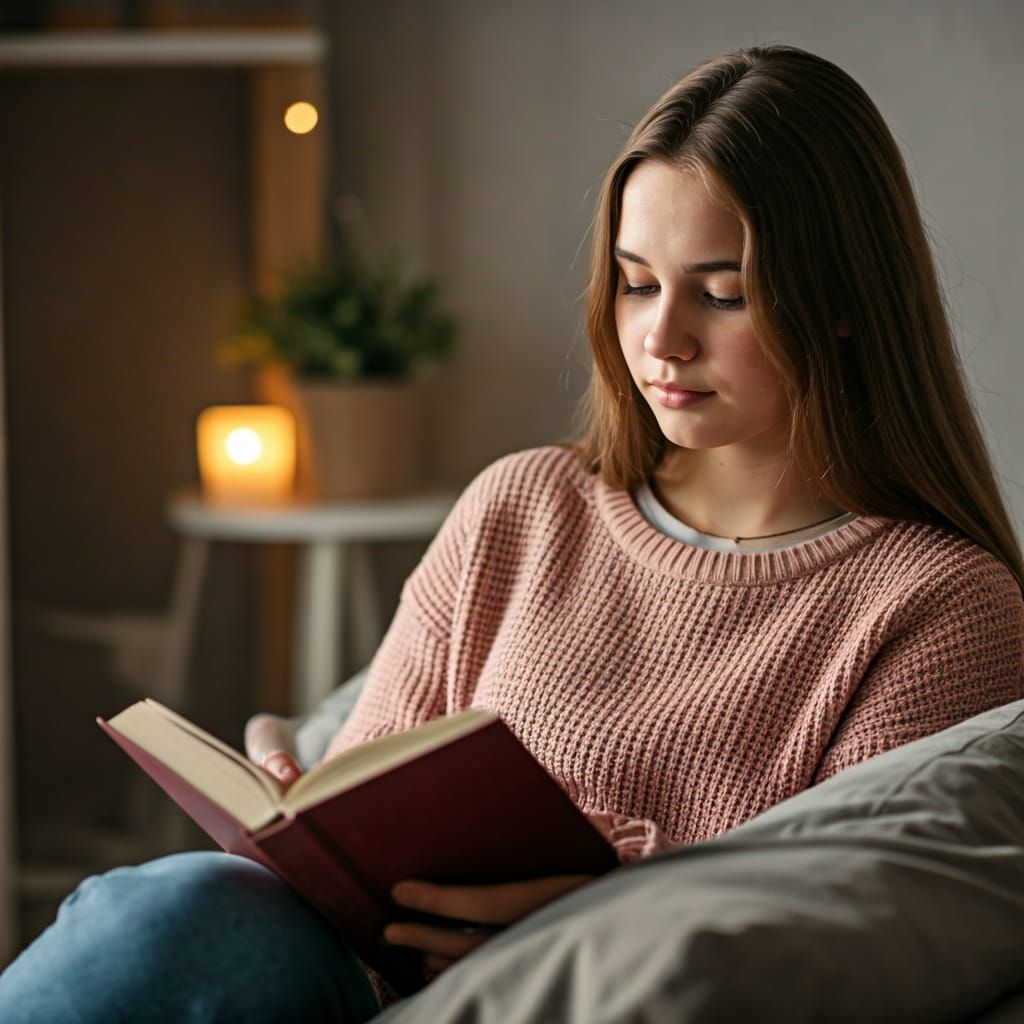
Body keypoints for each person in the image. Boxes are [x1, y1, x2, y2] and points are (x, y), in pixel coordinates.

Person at [2, 41, 1022, 1023]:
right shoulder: (523, 506)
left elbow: (831, 930)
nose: (661, 339)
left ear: (843, 303)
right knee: (178, 908)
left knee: (177, 921)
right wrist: (292, 793)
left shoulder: (941, 606)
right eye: (635, 283)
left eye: (723, 295)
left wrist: (598, 906)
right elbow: (361, 797)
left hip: (586, 994)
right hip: (345, 978)